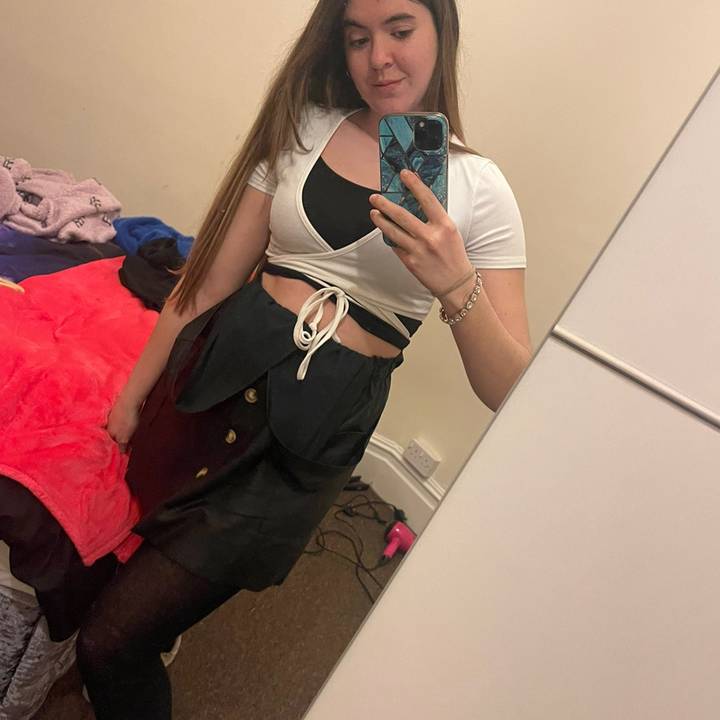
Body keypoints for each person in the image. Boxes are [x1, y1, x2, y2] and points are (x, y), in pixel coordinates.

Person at [75, 0, 532, 717]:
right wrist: (134, 396)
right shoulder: (305, 129)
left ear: (441, 32)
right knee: (141, 563)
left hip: (308, 439)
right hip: (218, 380)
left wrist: (456, 286)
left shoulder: (482, 191)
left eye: (400, 30)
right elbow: (206, 287)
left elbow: (510, 391)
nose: (379, 58)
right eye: (357, 38)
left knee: (109, 643)